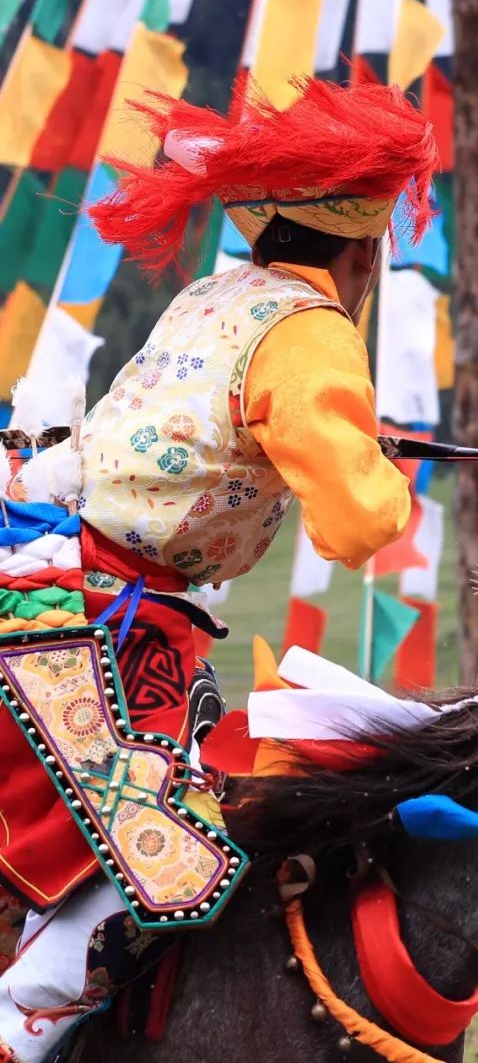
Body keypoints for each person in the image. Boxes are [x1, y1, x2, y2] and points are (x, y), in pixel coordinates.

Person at [0, 76, 437, 1063]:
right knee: (169, 848)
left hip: (65, 588)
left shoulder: (215, 292)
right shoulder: (315, 334)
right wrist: (381, 470)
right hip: (91, 626)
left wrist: (355, 443)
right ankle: (20, 1030)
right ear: (366, 250)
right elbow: (358, 525)